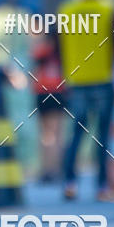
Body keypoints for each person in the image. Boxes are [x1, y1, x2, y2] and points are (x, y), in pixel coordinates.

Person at [58, 0, 114, 201]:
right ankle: (102, 186)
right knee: (102, 136)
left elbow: (59, 46)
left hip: (77, 80)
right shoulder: (108, 9)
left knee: (76, 134)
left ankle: (70, 183)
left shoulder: (67, 11)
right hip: (102, 79)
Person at [31, 29, 66, 182]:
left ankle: (46, 168)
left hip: (42, 92)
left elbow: (33, 69)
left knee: (46, 135)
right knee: (57, 134)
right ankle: (56, 168)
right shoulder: (62, 52)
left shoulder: (42, 51)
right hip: (58, 92)